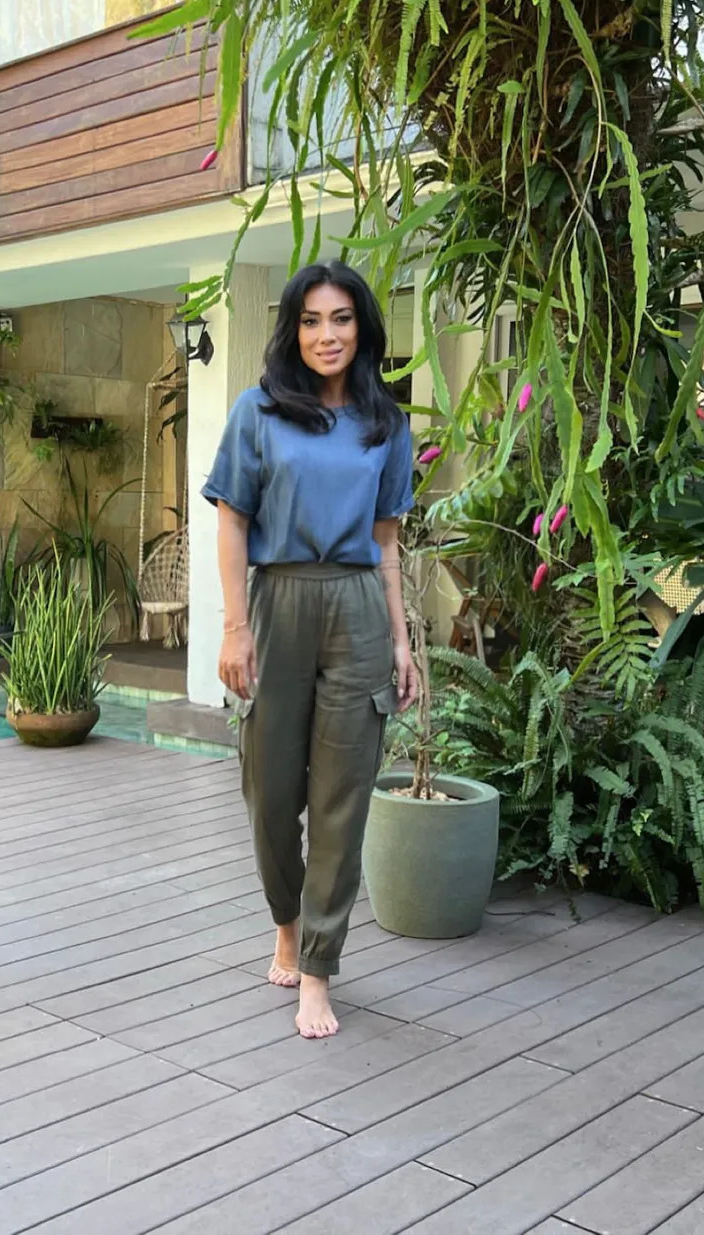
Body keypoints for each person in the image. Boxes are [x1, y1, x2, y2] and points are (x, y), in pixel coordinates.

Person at [202, 261, 419, 1039]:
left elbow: (387, 543)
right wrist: (235, 625)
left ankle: (319, 968)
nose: (328, 335)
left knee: (341, 796)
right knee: (268, 791)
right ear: (293, 330)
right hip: (279, 600)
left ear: (363, 329)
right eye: (312, 320)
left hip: (358, 606)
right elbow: (231, 520)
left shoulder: (385, 422)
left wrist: (401, 641)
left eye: (342, 319)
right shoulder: (259, 410)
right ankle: (286, 921)